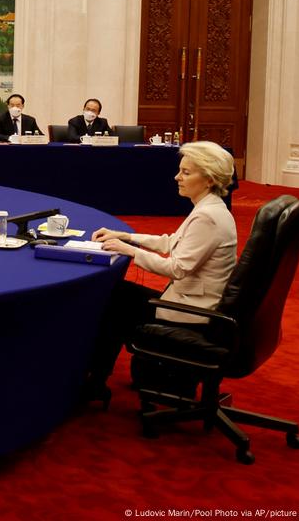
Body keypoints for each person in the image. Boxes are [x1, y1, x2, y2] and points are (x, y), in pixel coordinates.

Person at [83, 141, 238, 406]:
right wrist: (127, 237)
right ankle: (96, 380)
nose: (178, 177)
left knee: (116, 302)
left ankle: (94, 383)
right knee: (121, 294)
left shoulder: (207, 217)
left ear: (209, 179)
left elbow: (177, 268)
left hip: (192, 311)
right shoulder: (210, 208)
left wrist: (129, 251)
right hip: (194, 301)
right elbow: (171, 242)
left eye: (186, 173)